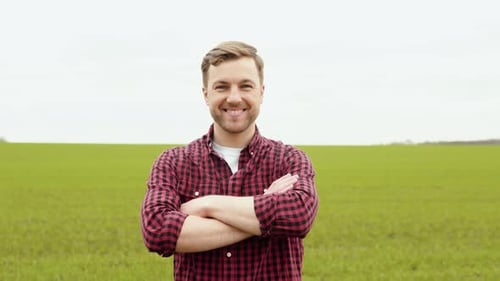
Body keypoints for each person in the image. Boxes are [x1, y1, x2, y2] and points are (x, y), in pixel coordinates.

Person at [141, 41, 319, 281]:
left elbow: (298, 216)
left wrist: (206, 205)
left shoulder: (289, 160)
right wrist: (266, 206)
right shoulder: (174, 163)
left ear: (261, 92)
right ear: (206, 94)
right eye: (222, 87)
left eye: (245, 86)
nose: (234, 98)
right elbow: (158, 231)